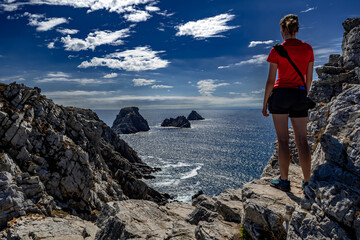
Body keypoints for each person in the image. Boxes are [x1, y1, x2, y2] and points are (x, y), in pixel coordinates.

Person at [262, 14, 314, 192]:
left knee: (283, 140)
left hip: (280, 95)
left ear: (283, 29)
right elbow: (309, 79)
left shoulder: (276, 50)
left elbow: (270, 80)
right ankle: (307, 182)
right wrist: (302, 96)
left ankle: (284, 181)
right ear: (297, 30)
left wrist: (264, 104)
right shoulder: (308, 49)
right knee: (302, 140)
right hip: (299, 94)